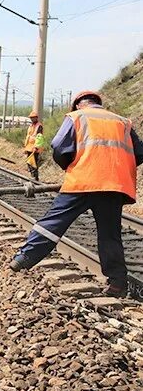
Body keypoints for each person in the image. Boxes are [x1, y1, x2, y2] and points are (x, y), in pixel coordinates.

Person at [9, 91, 143, 297]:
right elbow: (139, 153)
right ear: (99, 104)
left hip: (83, 181)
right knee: (110, 235)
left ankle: (23, 259)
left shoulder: (77, 117)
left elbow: (59, 146)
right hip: (113, 185)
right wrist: (116, 167)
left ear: (78, 105)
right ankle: (117, 284)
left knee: (54, 222)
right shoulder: (123, 122)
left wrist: (71, 166)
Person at [24, 111, 44, 181]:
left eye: (33, 118)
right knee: (29, 162)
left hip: (35, 148)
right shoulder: (31, 126)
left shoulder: (39, 126)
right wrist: (25, 147)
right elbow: (28, 136)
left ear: (36, 118)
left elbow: (39, 137)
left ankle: (35, 177)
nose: (32, 119)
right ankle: (33, 176)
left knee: (33, 163)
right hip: (29, 147)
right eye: (31, 118)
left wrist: (36, 147)